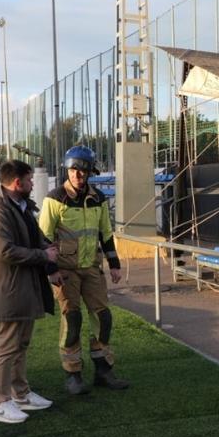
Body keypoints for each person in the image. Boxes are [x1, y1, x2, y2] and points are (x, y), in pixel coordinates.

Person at [39, 145, 129, 394]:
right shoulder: (54, 199)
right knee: (72, 320)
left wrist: (114, 264)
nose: (78, 175)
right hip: (65, 272)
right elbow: (43, 237)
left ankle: (103, 370)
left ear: (90, 172)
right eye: (74, 170)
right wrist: (51, 270)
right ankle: (73, 374)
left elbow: (105, 233)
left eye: (83, 170)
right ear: (67, 171)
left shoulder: (98, 198)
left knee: (103, 317)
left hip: (92, 269)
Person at [0, 159, 61, 424]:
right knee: (6, 346)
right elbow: (5, 251)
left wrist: (49, 255)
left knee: (20, 343)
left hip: (23, 287)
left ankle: (21, 394)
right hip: (8, 289)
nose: (33, 184)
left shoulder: (21, 206)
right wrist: (43, 254)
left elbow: (36, 238)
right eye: (30, 180)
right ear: (17, 183)